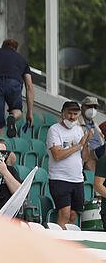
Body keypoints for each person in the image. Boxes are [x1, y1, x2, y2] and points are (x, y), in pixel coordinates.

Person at [47, 100, 92, 229]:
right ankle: (59, 243)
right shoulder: (54, 130)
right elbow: (57, 155)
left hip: (77, 179)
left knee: (73, 215)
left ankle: (69, 242)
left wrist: (86, 144)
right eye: (69, 113)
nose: (72, 117)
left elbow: (85, 157)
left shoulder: (79, 130)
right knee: (64, 213)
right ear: (62, 114)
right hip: (59, 178)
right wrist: (79, 145)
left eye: (75, 114)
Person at [0, 38, 35, 137]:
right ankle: (13, 117)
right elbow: (29, 86)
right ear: (15, 49)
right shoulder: (22, 60)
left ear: (3, 46)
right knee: (17, 110)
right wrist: (30, 112)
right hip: (14, 84)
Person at [81, 96, 105, 168]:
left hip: (100, 156)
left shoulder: (95, 125)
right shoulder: (76, 124)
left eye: (95, 107)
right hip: (88, 155)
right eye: (89, 106)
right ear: (82, 107)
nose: (92, 110)